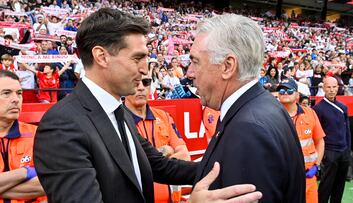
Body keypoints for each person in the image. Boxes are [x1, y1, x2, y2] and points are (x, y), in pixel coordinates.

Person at [34, 8, 262, 203]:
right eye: (137, 58)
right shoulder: (62, 125)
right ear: (101, 57)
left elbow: (160, 167)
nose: (145, 69)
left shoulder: (118, 111)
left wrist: (227, 170)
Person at [187, 14, 305, 203]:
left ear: (227, 66)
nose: (189, 73)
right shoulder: (263, 105)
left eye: (195, 61)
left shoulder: (248, 129)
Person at [125, 75, 190, 203]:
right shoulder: (117, 121)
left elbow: (185, 156)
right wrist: (166, 151)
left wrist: (152, 160)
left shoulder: (164, 116)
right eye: (136, 82)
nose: (141, 87)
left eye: (146, 82)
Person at [0, 70, 46, 202]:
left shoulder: (39, 135)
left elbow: (50, 182)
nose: (16, 99)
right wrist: (25, 172)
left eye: (19, 93)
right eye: (6, 93)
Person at [277, 78, 325, 203]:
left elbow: (320, 141)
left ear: (297, 95)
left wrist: (317, 166)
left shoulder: (310, 113)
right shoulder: (271, 115)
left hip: (307, 176)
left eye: (289, 90)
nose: (285, 93)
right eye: (281, 91)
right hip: (282, 177)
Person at [313, 77, 352, 203]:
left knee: (339, 187)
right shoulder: (318, 108)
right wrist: (322, 155)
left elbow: (347, 131)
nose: (331, 90)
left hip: (343, 152)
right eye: (328, 87)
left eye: (334, 87)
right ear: (323, 88)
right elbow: (317, 135)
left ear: (338, 87)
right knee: (325, 186)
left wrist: (348, 151)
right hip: (329, 152)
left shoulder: (343, 107)